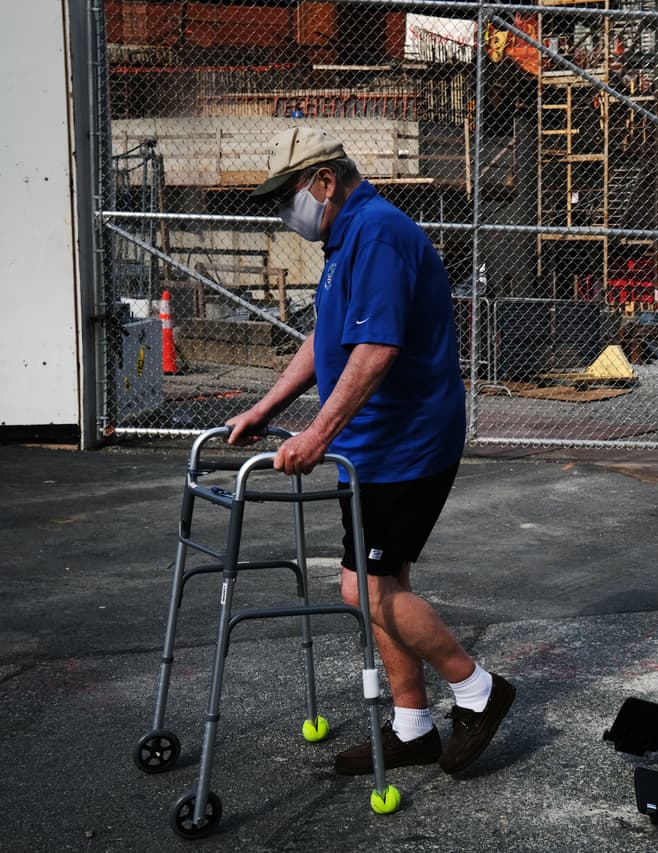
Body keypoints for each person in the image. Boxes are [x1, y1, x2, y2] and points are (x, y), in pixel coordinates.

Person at [226, 126, 514, 777]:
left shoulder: (379, 234)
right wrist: (268, 409)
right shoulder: (346, 237)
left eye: (287, 194)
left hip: (406, 443)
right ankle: (413, 725)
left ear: (325, 181)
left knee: (365, 589)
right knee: (383, 584)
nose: (284, 210)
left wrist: (316, 436)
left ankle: (478, 691)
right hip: (374, 447)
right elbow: (324, 339)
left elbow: (378, 350)